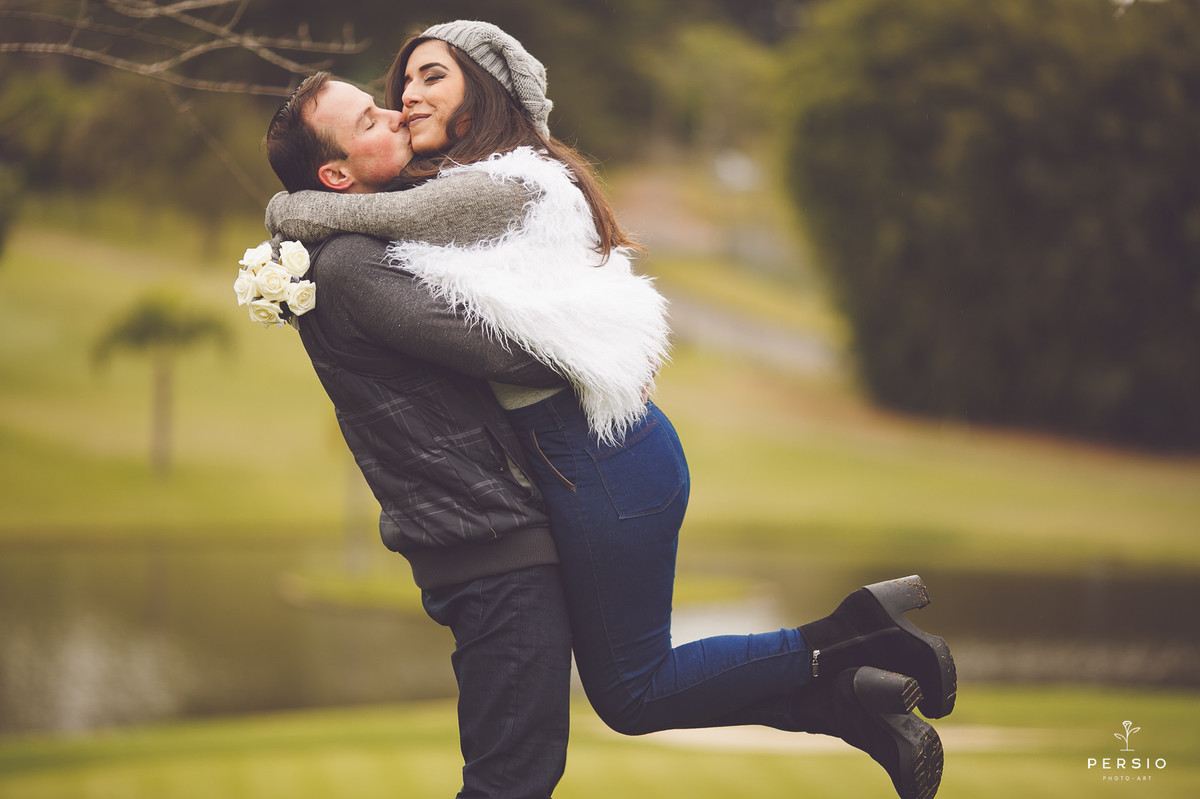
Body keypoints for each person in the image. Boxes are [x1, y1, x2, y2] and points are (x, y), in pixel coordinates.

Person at [263, 21, 955, 799]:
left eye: (431, 80)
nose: (404, 103)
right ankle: (850, 696)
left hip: (597, 457)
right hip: (588, 454)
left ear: (484, 91)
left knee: (633, 688)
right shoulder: (448, 189)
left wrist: (298, 215)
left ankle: (851, 634)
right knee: (632, 694)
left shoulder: (505, 183)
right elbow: (398, 232)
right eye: (396, 92)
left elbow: (417, 262)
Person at [261, 74, 575, 799]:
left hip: (483, 540)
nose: (396, 110)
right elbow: (502, 348)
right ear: (337, 175)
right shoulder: (352, 267)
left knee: (517, 773)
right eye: (368, 119)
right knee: (511, 780)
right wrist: (609, 351)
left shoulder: (365, 238)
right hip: (489, 545)